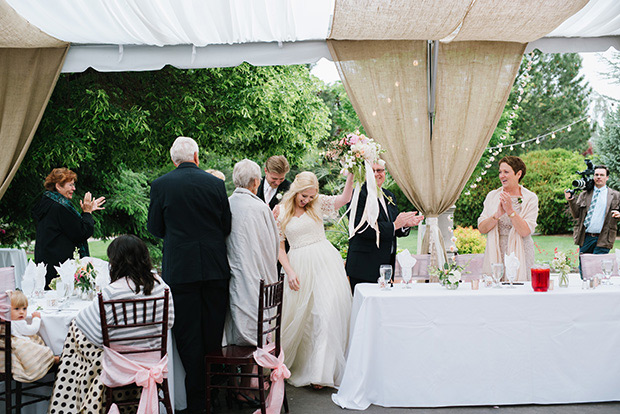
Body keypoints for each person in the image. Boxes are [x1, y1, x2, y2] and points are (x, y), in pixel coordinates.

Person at [147, 136, 231, 414]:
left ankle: (195, 399)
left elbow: (155, 228)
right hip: (214, 268)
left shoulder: (160, 185)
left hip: (181, 270)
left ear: (174, 160)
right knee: (212, 333)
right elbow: (226, 225)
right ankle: (215, 392)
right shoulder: (216, 184)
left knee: (186, 335)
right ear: (197, 156)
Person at [49, 234, 174, 414]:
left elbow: (91, 330)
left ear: (115, 262)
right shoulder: (162, 287)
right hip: (153, 361)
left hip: (120, 365)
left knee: (75, 332)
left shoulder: (111, 293)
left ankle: (69, 403)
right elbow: (169, 322)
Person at [277, 171, 353, 389]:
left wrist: (349, 175)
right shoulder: (281, 212)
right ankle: (304, 366)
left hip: (324, 264)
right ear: (296, 190)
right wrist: (290, 272)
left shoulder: (318, 203)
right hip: (299, 266)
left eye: (311, 196)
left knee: (326, 313)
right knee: (305, 318)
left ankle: (322, 372)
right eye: (304, 196)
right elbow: (279, 248)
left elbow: (344, 199)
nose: (307, 200)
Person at [224, 159, 280, 404]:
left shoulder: (226, 205)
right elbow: (272, 246)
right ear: (256, 182)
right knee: (254, 332)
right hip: (257, 281)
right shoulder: (260, 209)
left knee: (232, 332)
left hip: (230, 281)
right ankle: (244, 386)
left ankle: (232, 387)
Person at [346, 160, 423, 292]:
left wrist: (405, 225)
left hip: (386, 265)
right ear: (365, 174)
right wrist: (395, 225)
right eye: (373, 171)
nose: (376, 174)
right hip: (364, 265)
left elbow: (393, 227)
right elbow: (361, 228)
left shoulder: (389, 195)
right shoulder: (357, 195)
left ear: (385, 173)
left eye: (380, 170)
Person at [32, 167, 105, 287]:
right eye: (70, 185)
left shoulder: (47, 203)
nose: (74, 188)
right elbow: (81, 233)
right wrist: (87, 213)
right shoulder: (60, 207)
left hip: (47, 262)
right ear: (58, 186)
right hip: (60, 267)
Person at [478, 156, 539, 281]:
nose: (501, 176)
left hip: (521, 252)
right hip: (497, 251)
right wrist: (496, 215)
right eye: (500, 172)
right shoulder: (492, 196)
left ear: (518, 174)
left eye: (506, 172)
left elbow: (525, 231)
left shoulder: (530, 198)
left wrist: (510, 211)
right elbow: (482, 228)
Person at [565, 165, 620, 274]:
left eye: (602, 175)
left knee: (597, 269)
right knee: (584, 269)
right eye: (596, 175)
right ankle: (586, 289)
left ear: (607, 177)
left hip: (604, 237)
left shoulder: (615, 195)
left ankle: (597, 290)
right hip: (586, 237)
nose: (598, 177)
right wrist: (570, 199)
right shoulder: (584, 194)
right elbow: (576, 215)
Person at [4, 290, 56, 383]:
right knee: (36, 349)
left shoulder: (7, 322)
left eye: (24, 309)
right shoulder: (18, 322)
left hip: (8, 346)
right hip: (18, 344)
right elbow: (32, 330)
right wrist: (36, 319)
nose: (21, 312)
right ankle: (51, 359)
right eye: (17, 309)